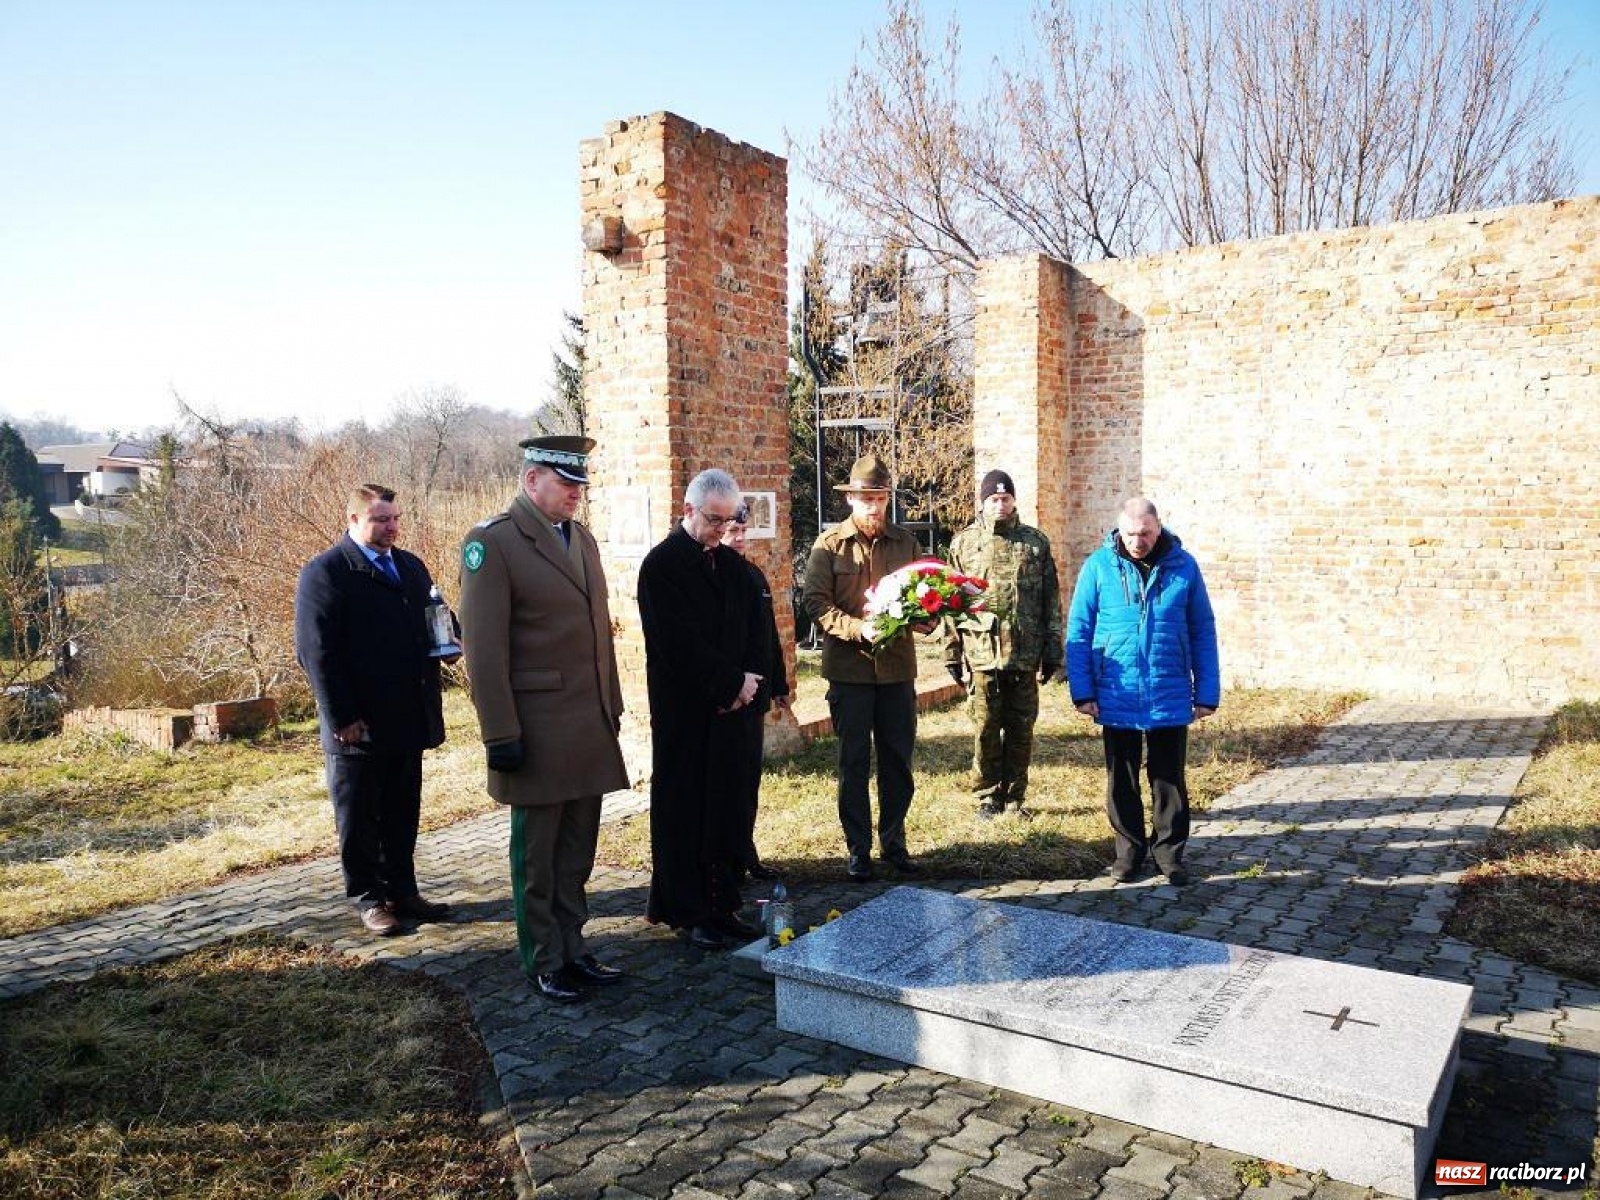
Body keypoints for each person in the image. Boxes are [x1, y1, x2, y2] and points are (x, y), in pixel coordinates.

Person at [456, 435, 629, 1004]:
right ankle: (543, 958)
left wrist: (613, 704)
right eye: (566, 484)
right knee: (538, 857)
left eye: (580, 485)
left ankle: (574, 949)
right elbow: (483, 650)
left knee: (577, 851)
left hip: (586, 724)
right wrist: (499, 732)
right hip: (534, 728)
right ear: (533, 481)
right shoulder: (493, 543)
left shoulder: (580, 539)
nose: (576, 495)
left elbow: (599, 633)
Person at [294, 484, 454, 937]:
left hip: (407, 717)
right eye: (381, 519)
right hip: (357, 726)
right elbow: (315, 653)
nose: (391, 527)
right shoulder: (325, 572)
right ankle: (368, 898)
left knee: (403, 811)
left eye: (395, 518)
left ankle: (403, 890)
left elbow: (436, 617)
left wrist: (450, 641)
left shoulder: (409, 566)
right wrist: (342, 716)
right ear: (353, 521)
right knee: (360, 817)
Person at [636, 469, 767, 950]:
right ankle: (690, 910)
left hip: (734, 710)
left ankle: (723, 903)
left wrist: (749, 682)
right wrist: (730, 683)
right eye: (714, 520)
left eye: (729, 520)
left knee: (727, 808)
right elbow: (676, 642)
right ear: (689, 510)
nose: (721, 529)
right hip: (687, 713)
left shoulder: (731, 567)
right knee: (688, 810)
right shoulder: (662, 566)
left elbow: (755, 629)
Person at [1066, 497, 1220, 886]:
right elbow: (1079, 631)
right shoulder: (1098, 567)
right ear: (1120, 530)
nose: (1138, 542)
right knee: (1122, 777)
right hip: (1116, 690)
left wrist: (1206, 692)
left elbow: (1203, 629)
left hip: (1167, 689)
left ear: (1159, 528)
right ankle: (1128, 853)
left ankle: (1169, 855)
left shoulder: (1183, 567)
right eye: (1131, 534)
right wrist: (1082, 691)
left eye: (1146, 534)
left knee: (1169, 778)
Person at [802, 452, 925, 883]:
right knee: (853, 763)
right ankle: (858, 849)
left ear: (887, 498)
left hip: (896, 672)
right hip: (850, 673)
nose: (873, 506)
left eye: (879, 497)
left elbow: (922, 598)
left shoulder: (906, 544)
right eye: (865, 498)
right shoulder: (829, 545)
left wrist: (929, 614)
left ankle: (895, 843)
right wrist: (858, 629)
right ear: (850, 498)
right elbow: (815, 604)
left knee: (897, 762)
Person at [944, 469, 1062, 818]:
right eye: (993, 499)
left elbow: (1050, 601)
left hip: (1024, 653)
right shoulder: (963, 544)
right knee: (985, 728)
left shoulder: (1035, 543)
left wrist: (1053, 650)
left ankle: (1014, 797)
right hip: (982, 653)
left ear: (1014, 501)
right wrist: (952, 653)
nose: (1000, 505)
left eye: (1005, 498)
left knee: (1021, 728)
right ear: (982, 503)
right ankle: (987, 796)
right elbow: (952, 604)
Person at [723, 502, 791, 882]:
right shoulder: (719, 578)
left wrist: (779, 684)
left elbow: (769, 637)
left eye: (742, 533)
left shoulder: (754, 575)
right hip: (730, 696)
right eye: (733, 532)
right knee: (730, 782)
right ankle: (730, 857)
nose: (739, 540)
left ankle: (746, 851)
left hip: (756, 696)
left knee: (750, 779)